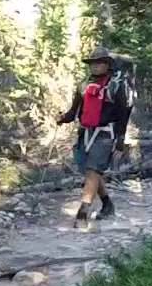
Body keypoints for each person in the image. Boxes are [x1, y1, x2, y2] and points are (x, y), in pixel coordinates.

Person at [57, 46, 133, 228]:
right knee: (90, 173)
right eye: (92, 63)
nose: (95, 66)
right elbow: (74, 111)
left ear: (108, 65)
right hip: (85, 133)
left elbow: (124, 113)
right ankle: (107, 204)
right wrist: (62, 118)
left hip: (106, 134)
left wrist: (121, 140)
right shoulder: (84, 85)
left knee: (92, 172)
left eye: (99, 63)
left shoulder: (116, 85)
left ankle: (82, 214)